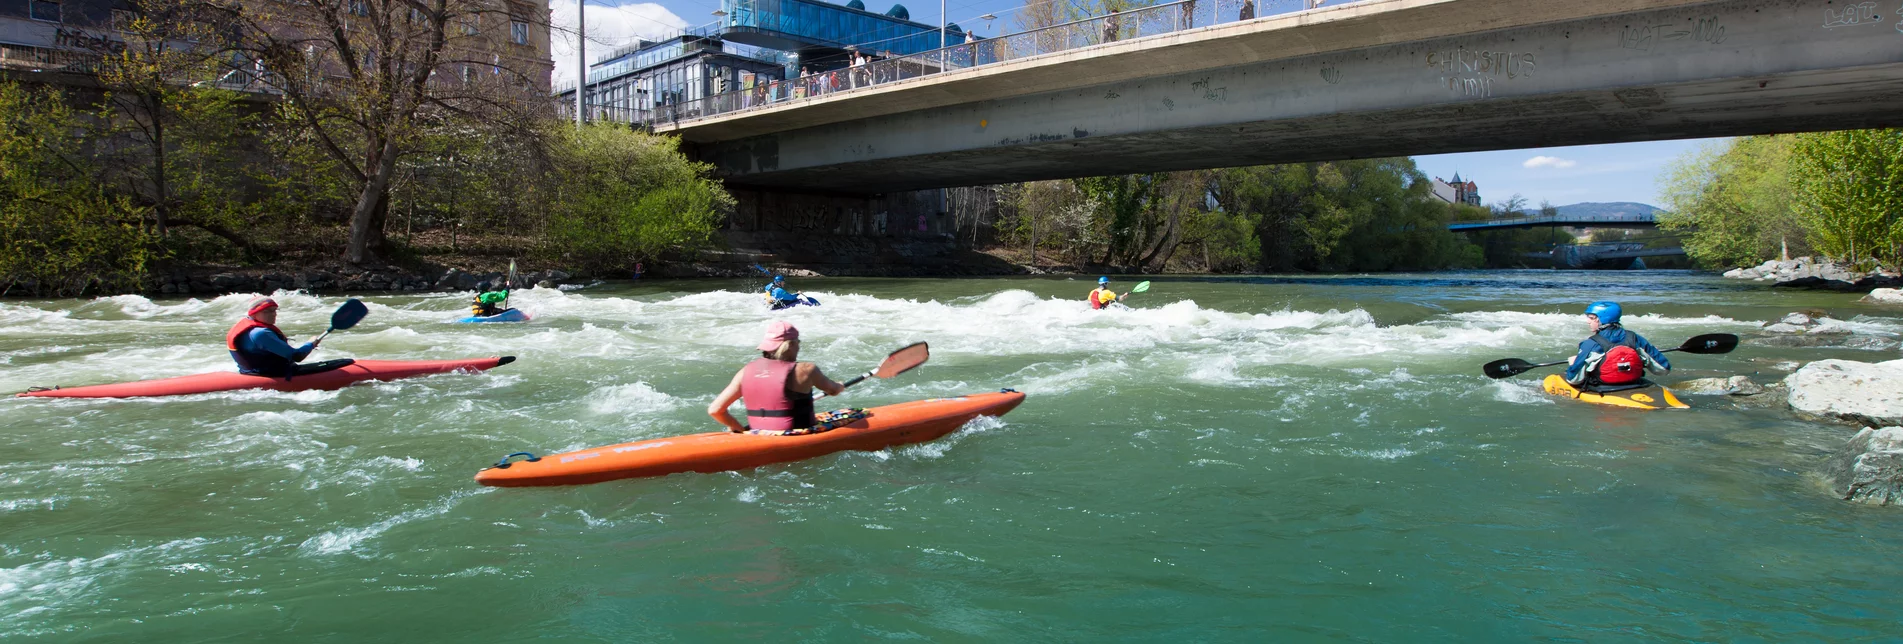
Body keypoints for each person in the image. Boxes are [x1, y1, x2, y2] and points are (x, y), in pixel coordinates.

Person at [708, 321, 844, 433]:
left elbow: (715, 410)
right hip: (794, 435)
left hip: (756, 433)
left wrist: (739, 430)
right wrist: (839, 386)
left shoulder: (746, 370)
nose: (798, 347)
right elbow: (833, 390)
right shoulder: (806, 369)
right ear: (790, 345)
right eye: (798, 342)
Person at [1564, 301, 1670, 390]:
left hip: (1603, 387)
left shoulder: (1589, 344)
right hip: (1635, 384)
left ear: (1602, 319)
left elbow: (1573, 380)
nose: (1588, 322)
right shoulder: (1635, 338)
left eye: (1592, 318)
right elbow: (1663, 369)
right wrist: (1648, 358)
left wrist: (1573, 364)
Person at [226, 297, 320, 378]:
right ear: (253, 314)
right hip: (273, 375)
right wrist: (311, 344)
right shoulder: (261, 333)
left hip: (251, 373)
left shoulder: (244, 327)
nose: (274, 314)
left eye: (274, 310)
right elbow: (297, 356)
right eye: (267, 311)